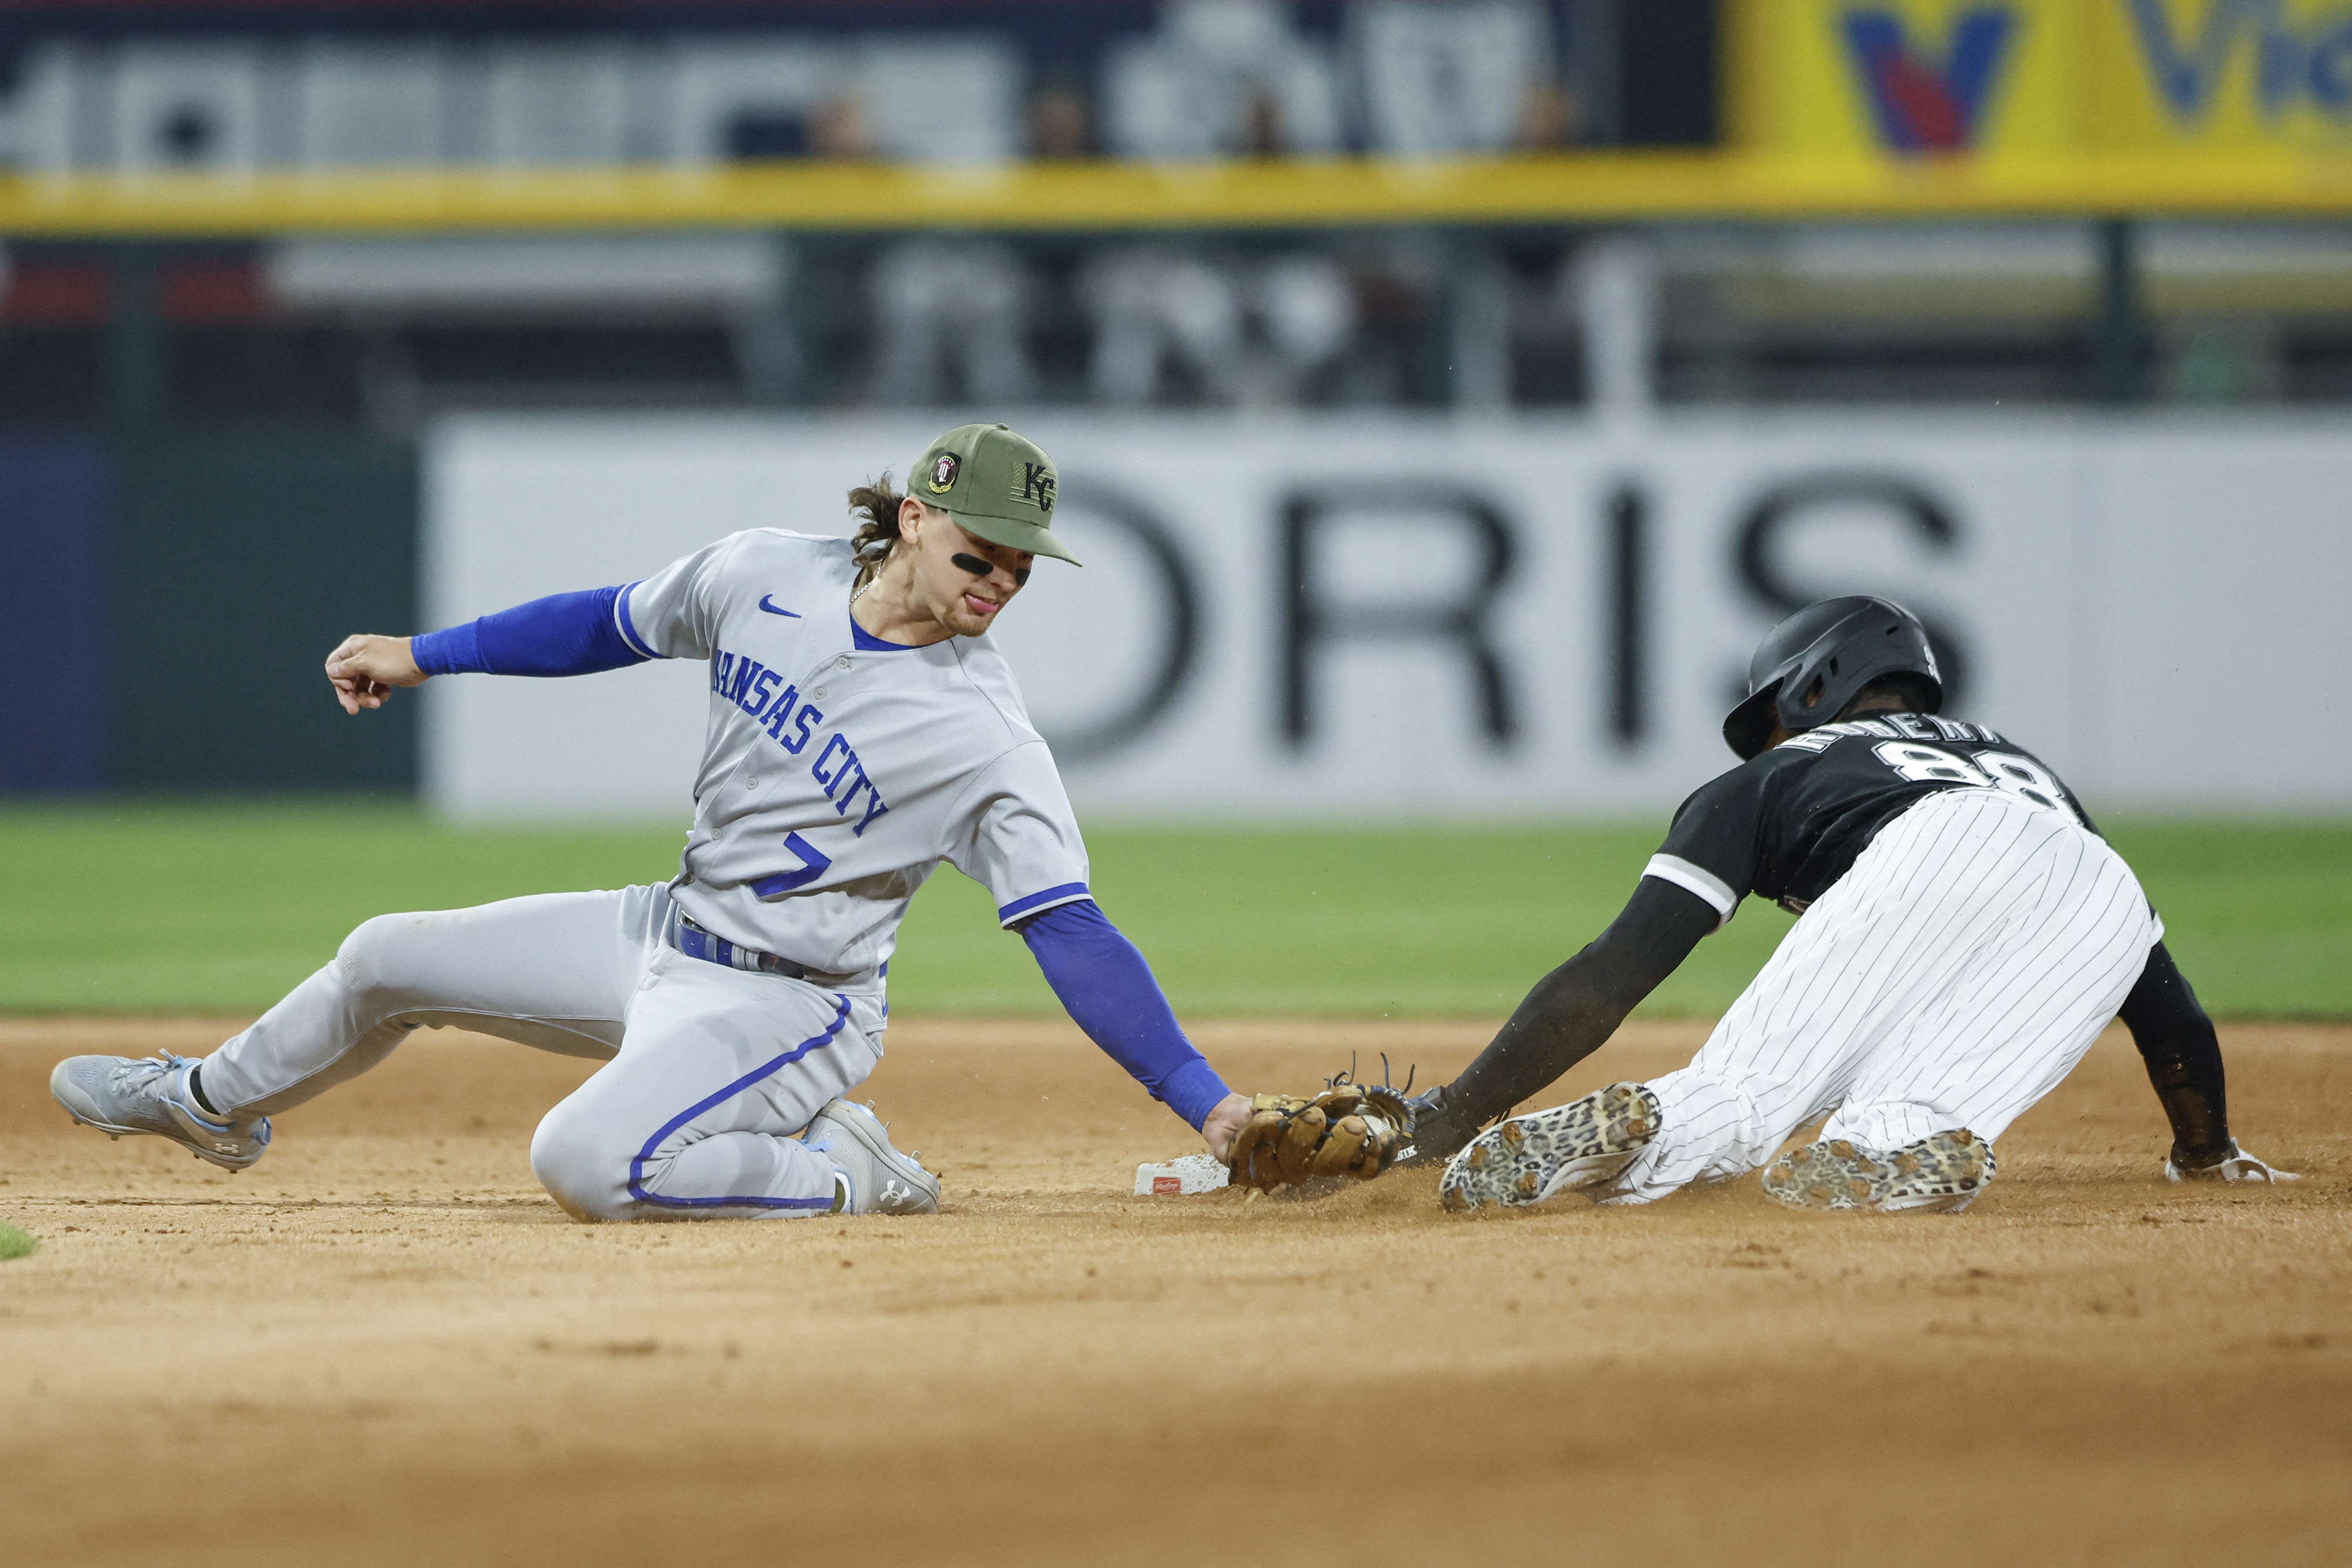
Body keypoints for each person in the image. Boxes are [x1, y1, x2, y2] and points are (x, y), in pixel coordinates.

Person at [51, 424, 1253, 1221]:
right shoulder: (764, 572)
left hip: (796, 1002)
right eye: (979, 551)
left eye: (1020, 569)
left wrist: (1211, 1105)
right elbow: (604, 623)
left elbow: (1068, 927)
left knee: (584, 1160)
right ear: (907, 515)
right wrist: (426, 654)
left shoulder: (985, 735)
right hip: (665, 931)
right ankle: (206, 1102)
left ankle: (844, 1166)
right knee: (379, 956)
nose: (997, 581)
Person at [1415, 597, 2294, 1215]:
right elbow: (2167, 1010)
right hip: (2105, 888)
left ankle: (1654, 1122)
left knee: (1744, 1097)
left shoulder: (1771, 776)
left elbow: (1608, 977)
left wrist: (1450, 1116)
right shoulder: (2026, 770)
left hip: (1927, 847)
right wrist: (2206, 1149)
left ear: (1811, 687)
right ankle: (1888, 1149)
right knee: (1914, 1113)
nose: (1769, 738)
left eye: (1771, 716)